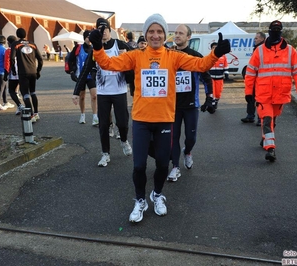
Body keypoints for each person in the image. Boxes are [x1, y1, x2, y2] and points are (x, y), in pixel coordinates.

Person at [87, 13, 230, 222]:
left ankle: (157, 194)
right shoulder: (136, 55)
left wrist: (216, 53)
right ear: (146, 34)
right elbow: (109, 64)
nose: (155, 35)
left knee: (163, 164)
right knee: (138, 166)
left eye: (159, 31)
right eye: (151, 31)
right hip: (142, 121)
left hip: (164, 119)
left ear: (165, 35)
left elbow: (200, 65)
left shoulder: (174, 56)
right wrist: (98, 49)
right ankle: (139, 200)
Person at [244, 20, 297, 162]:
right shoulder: (259, 50)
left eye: (278, 29)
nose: (276, 31)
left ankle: (264, 138)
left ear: (281, 31)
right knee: (266, 118)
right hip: (263, 94)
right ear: (269, 31)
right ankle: (270, 149)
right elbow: (251, 72)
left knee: (273, 119)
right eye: (274, 29)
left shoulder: (290, 50)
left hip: (280, 95)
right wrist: (249, 92)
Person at [74, 18, 133, 167]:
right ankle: (105, 153)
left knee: (123, 122)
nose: (104, 32)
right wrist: (76, 92)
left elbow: (137, 60)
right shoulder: (95, 50)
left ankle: (124, 140)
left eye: (105, 29)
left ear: (110, 30)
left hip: (119, 90)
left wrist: (126, 57)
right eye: (100, 30)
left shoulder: (120, 45)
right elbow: (86, 70)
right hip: (103, 92)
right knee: (103, 124)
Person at [167, 24, 214, 182]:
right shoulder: (168, 54)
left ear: (188, 37)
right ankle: (175, 167)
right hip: (172, 106)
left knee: (191, 137)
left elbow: (207, 78)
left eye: (181, 33)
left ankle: (187, 152)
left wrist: (209, 97)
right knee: (173, 137)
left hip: (191, 105)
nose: (177, 35)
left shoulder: (196, 56)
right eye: (175, 33)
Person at [10, 28, 43, 123]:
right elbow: (40, 59)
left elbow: (12, 58)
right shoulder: (33, 44)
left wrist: (13, 70)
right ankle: (36, 113)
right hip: (33, 71)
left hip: (23, 72)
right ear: (25, 34)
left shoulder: (15, 44)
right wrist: (38, 70)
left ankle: (31, 115)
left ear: (17, 35)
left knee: (25, 94)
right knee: (33, 92)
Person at [69, 30, 98, 126]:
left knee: (94, 96)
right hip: (81, 76)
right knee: (82, 97)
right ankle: (82, 114)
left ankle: (95, 117)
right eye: (87, 37)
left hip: (90, 76)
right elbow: (70, 59)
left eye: (90, 38)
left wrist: (94, 71)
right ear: (84, 38)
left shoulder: (94, 49)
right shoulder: (78, 47)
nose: (89, 39)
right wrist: (72, 72)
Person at [241, 32, 266, 126]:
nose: (254, 40)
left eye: (256, 38)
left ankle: (261, 118)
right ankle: (250, 116)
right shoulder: (256, 49)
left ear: (262, 39)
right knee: (251, 97)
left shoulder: (263, 49)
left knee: (260, 99)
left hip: (261, 79)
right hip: (254, 78)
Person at [3, 35, 24, 115]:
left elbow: (7, 63)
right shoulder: (20, 48)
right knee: (22, 91)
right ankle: (24, 108)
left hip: (14, 74)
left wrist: (6, 74)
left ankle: (19, 105)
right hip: (23, 72)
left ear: (9, 42)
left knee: (11, 91)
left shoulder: (9, 50)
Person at [209, 42, 229, 110]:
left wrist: (226, 74)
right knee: (212, 92)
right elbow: (205, 66)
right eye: (213, 47)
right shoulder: (208, 56)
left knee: (218, 93)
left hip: (219, 78)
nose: (214, 49)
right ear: (211, 49)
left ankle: (216, 101)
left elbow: (225, 66)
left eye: (215, 47)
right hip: (211, 78)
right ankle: (212, 104)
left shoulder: (223, 56)